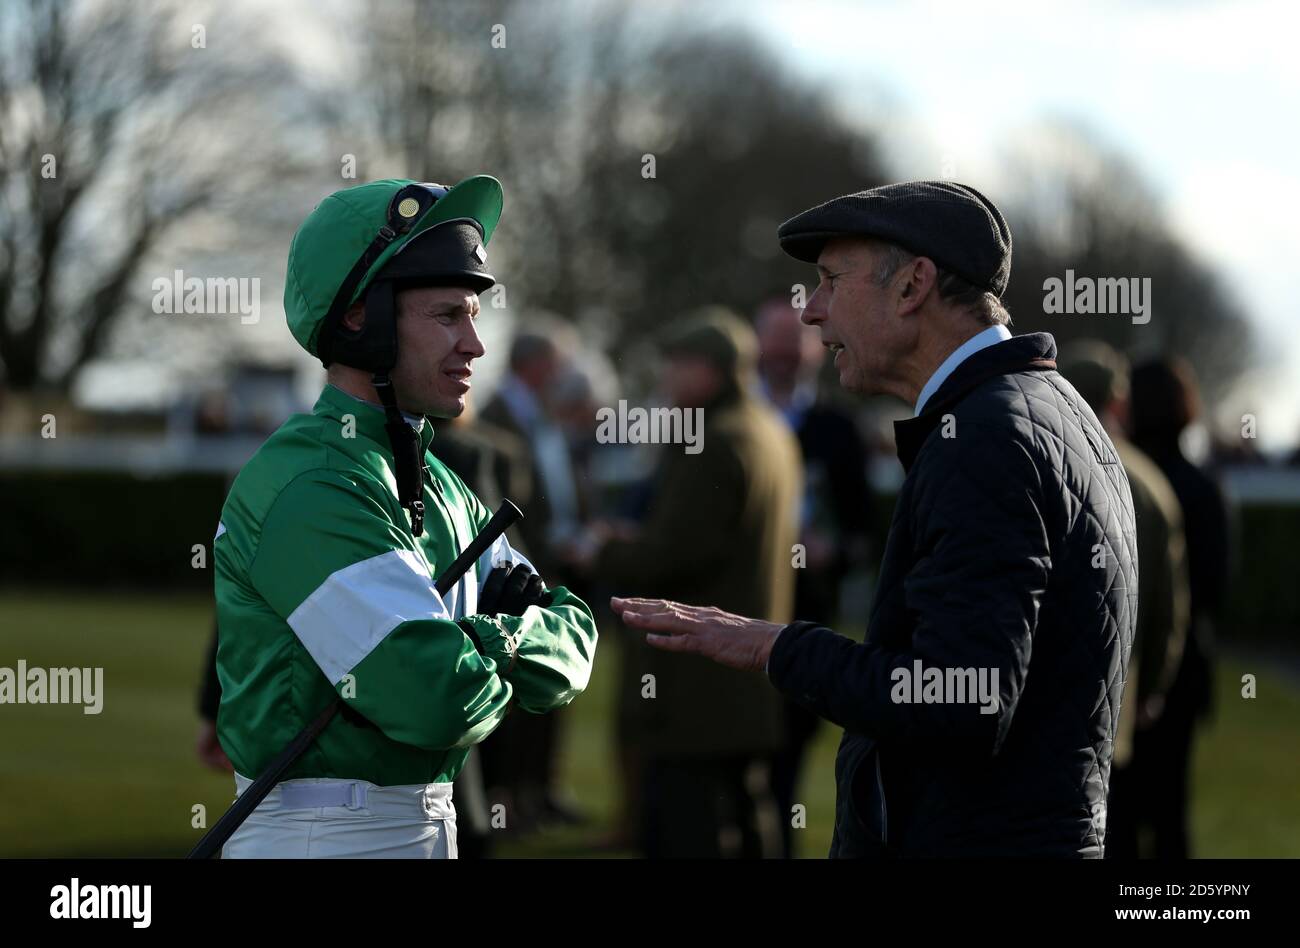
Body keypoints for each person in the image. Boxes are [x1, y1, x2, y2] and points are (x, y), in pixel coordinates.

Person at [612, 181, 1139, 857]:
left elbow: (961, 700)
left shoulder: (988, 436)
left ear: (912, 285)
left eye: (831, 280)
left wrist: (777, 646)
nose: (813, 312)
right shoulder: (1045, 408)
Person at [212, 176, 598, 858]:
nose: (475, 344)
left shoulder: (446, 482)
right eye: (448, 316)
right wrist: (507, 639)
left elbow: (576, 639)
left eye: (474, 315)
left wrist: (478, 646)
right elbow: (433, 698)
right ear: (362, 317)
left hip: (426, 825)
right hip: (319, 837)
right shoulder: (311, 483)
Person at [573, 308, 803, 858]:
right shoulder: (770, 429)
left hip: (694, 684)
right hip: (746, 673)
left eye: (678, 365)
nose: (667, 380)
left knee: (682, 827)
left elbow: (673, 556)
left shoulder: (711, 441)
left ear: (710, 370)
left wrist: (601, 549)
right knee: (749, 815)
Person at [754, 297, 877, 857]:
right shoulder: (727, 424)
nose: (783, 353)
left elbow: (867, 530)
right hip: (740, 606)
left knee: (788, 760)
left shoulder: (838, 429)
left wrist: (835, 549)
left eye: (793, 340)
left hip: (808, 617)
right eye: (773, 340)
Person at [1059, 342, 1190, 859]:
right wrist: (1150, 690)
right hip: (1120, 703)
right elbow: (1167, 616)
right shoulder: (1152, 486)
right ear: (1117, 402)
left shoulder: (1036, 460)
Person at [1129, 356, 1232, 858]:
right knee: (1172, 810)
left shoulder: (1121, 479)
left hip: (1125, 668)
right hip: (1185, 667)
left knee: (1118, 811)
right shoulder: (1203, 487)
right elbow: (1215, 586)